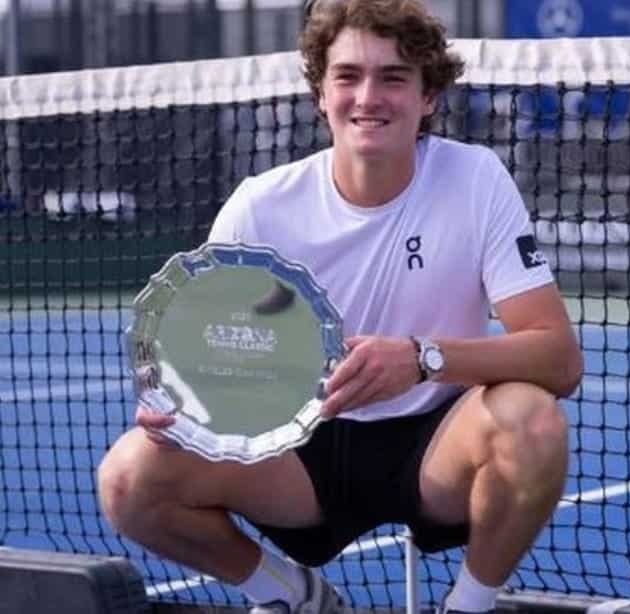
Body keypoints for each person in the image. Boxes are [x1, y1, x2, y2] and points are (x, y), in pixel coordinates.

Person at [96, 1, 582, 613]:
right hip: (298, 454)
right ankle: (293, 596)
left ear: (429, 96)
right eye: (348, 76)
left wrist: (420, 359)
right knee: (129, 479)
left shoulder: (476, 179)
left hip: (438, 445)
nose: (368, 96)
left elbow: (559, 359)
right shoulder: (260, 207)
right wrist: (179, 406)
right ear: (321, 94)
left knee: (532, 420)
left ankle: (470, 605)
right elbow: (205, 357)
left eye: (394, 77)